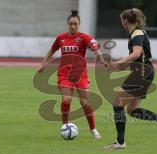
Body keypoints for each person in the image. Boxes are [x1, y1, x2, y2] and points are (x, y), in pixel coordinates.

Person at [105, 8, 157, 149]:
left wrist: (118, 62)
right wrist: (122, 66)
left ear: (125, 21)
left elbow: (136, 54)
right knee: (131, 110)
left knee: (117, 102)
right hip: (144, 71)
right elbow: (137, 57)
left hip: (141, 72)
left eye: (121, 21)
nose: (121, 23)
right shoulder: (136, 33)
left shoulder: (137, 33)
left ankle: (120, 142)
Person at [37, 10, 109, 139]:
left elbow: (95, 48)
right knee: (66, 99)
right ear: (67, 24)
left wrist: (102, 60)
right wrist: (43, 64)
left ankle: (93, 129)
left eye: (75, 24)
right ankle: (65, 126)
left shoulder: (84, 37)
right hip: (64, 75)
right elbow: (52, 50)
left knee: (85, 102)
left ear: (79, 24)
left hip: (80, 75)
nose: (73, 26)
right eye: (71, 24)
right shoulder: (61, 38)